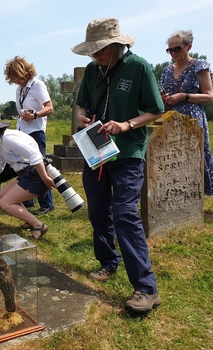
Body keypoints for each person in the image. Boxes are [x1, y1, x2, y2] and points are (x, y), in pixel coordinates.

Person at [71, 18, 164, 313]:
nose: (95, 56)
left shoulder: (139, 67)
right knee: (98, 210)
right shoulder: (91, 71)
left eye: (99, 51)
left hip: (128, 153)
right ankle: (108, 262)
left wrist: (126, 125)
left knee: (124, 213)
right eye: (93, 52)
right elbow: (82, 104)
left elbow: (155, 110)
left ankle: (146, 288)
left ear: (115, 45)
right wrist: (83, 117)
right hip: (97, 152)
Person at [0, 111, 54, 239]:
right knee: (2, 194)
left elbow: (35, 156)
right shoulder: (2, 140)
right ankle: (30, 220)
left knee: (5, 203)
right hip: (27, 174)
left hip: (35, 175)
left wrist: (45, 178)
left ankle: (39, 225)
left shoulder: (8, 138)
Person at [160, 30, 213, 195]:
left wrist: (184, 96)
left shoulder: (199, 66)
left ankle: (199, 191)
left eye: (177, 49)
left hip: (192, 118)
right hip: (170, 117)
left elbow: (209, 96)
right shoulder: (166, 70)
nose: (173, 53)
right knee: (172, 157)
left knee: (196, 155)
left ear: (189, 47)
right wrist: (163, 97)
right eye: (170, 50)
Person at [4, 56, 55, 215]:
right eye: (13, 79)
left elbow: (49, 108)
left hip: (35, 131)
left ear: (25, 72)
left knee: (39, 166)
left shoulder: (37, 85)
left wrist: (34, 116)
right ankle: (28, 198)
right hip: (23, 132)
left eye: (18, 77)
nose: (17, 81)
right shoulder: (19, 89)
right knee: (25, 167)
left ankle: (47, 203)